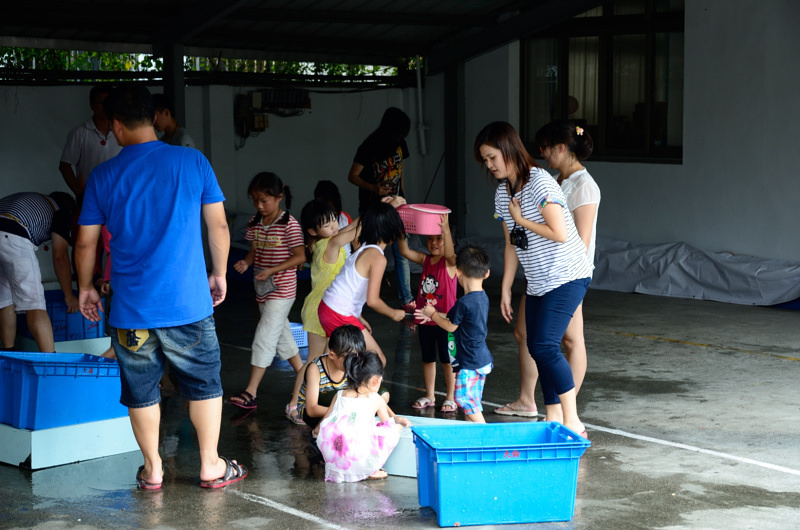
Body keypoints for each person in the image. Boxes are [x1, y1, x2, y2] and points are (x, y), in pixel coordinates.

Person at [75, 83, 246, 490]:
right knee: (204, 384)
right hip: (188, 305)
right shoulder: (192, 161)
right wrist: (219, 273)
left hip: (131, 311)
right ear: (153, 117)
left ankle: (153, 470)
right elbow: (218, 224)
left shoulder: (104, 175)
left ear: (116, 125)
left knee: (141, 390)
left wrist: (85, 287)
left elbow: (86, 240)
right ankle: (210, 466)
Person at [474, 121, 592, 437]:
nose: (489, 165)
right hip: (540, 279)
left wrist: (521, 219)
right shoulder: (503, 194)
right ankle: (553, 415)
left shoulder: (540, 184)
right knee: (538, 346)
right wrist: (506, 288)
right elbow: (513, 243)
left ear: (509, 150)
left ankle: (573, 420)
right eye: (484, 160)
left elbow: (560, 233)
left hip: (567, 275)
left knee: (544, 344)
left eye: (492, 157)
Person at [229, 172, 306, 411]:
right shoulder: (255, 223)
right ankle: (306, 376)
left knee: (264, 335)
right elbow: (254, 251)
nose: (259, 206)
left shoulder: (289, 224)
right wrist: (247, 263)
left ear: (279, 197)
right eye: (255, 200)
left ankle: (251, 392)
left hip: (282, 289)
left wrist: (273, 269)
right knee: (282, 335)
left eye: (264, 201)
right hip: (262, 286)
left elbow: (301, 256)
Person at [285, 199, 360, 424]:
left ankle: (299, 403)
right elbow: (352, 230)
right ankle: (293, 405)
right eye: (326, 225)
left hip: (325, 307)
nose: (334, 226)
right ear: (313, 231)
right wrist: (379, 209)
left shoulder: (327, 240)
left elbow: (347, 229)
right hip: (321, 310)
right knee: (313, 361)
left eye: (333, 221)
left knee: (316, 360)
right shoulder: (328, 244)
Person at [317, 201, 407, 364]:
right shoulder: (378, 258)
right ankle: (359, 389)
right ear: (392, 230)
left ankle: (312, 386)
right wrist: (393, 313)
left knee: (329, 364)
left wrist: (358, 318)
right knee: (378, 360)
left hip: (327, 307)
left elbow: (350, 288)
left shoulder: (364, 247)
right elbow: (373, 300)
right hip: (338, 312)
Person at [347, 107, 414, 311]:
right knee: (369, 251)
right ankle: (361, 297)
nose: (402, 137)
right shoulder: (369, 146)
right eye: (400, 133)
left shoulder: (400, 144)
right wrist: (374, 188)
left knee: (402, 251)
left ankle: (407, 299)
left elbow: (400, 171)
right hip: (373, 207)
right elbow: (352, 176)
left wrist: (403, 195)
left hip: (397, 205)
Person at [416, 245, 493, 423]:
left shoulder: (464, 302)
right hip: (481, 359)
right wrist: (432, 313)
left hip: (470, 362)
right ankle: (472, 443)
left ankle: (488, 438)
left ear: (458, 273)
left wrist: (433, 315)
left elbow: (451, 326)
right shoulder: (482, 298)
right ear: (486, 273)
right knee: (472, 404)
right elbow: (455, 318)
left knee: (466, 402)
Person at [0, 192, 78, 353]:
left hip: (6, 230)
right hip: (13, 236)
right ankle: (51, 362)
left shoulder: (31, 199)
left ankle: (8, 356)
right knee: (34, 303)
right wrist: (69, 295)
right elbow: (60, 256)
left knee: (5, 300)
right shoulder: (61, 211)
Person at [316, 351, 410, 482]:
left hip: (333, 459)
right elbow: (387, 424)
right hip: (358, 460)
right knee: (393, 430)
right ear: (376, 381)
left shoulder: (339, 395)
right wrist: (399, 423)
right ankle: (370, 469)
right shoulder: (376, 398)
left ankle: (342, 466)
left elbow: (322, 425)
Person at [398, 214, 458, 413]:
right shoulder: (425, 260)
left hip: (445, 321)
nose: (433, 242)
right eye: (430, 238)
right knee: (428, 358)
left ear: (449, 241)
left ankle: (451, 397)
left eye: (438, 238)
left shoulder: (451, 263)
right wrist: (400, 226)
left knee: (447, 360)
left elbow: (449, 253)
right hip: (425, 321)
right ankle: (430, 395)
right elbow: (404, 250)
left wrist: (446, 228)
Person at [58, 83, 122, 202]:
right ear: (92, 105)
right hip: (91, 197)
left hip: (120, 196)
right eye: (100, 103)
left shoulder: (123, 131)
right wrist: (79, 193)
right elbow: (64, 166)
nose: (105, 107)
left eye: (108, 102)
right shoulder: (80, 133)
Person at [297, 324, 364, 432]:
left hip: (339, 408)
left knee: (382, 394)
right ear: (332, 355)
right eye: (348, 360)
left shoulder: (354, 363)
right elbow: (311, 409)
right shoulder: (315, 369)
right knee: (340, 396)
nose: (352, 364)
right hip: (315, 410)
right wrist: (343, 412)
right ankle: (319, 431)